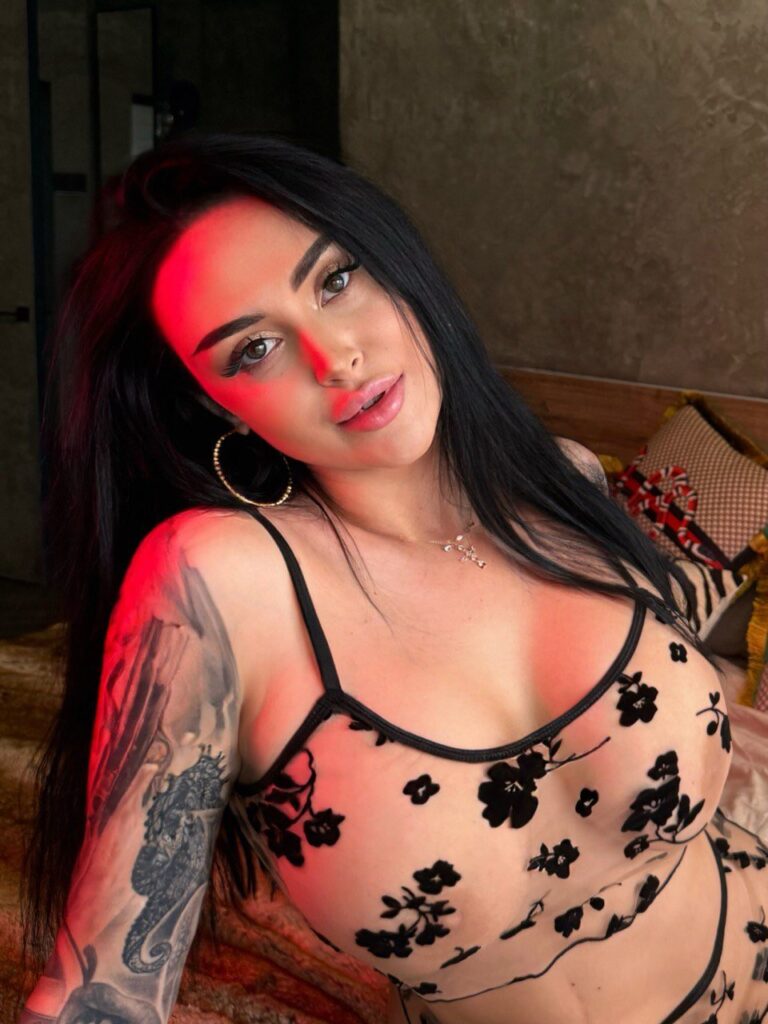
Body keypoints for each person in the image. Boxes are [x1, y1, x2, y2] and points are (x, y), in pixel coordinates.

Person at [15, 132, 766, 1024]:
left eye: (337, 280)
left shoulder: (563, 484)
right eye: (255, 349)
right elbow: (104, 994)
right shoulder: (220, 581)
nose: (337, 358)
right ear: (217, 405)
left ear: (398, 268)